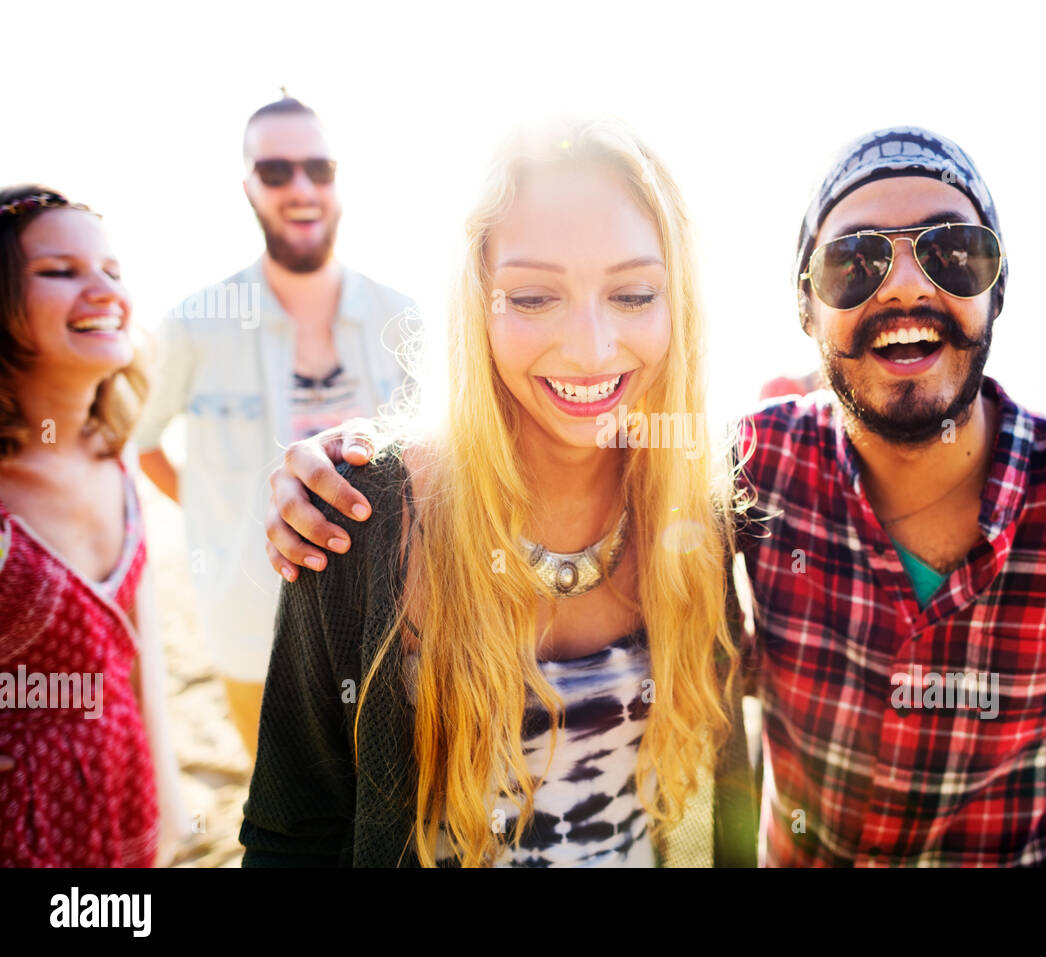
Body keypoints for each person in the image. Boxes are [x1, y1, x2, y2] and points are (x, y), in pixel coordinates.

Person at [266, 126, 1046, 867]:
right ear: (805, 307)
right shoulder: (752, 472)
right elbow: (293, 826)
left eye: (954, 252)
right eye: (855, 261)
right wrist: (345, 464)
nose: (906, 287)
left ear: (999, 288)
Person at [239, 117, 757, 867]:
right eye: (536, 296)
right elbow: (291, 833)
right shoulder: (356, 516)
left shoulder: (695, 503)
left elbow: (727, 794)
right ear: (475, 302)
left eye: (635, 294)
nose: (591, 346)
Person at [134, 94, 418, 758]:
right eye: (277, 171)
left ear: (340, 178)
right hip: (247, 621)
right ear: (248, 187)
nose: (300, 188)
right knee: (282, 814)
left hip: (394, 623)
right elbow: (141, 439)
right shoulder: (194, 324)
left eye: (319, 168)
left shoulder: (403, 318)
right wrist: (221, 513)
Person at [0, 186, 186, 866]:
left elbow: (138, 655)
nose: (103, 290)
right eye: (59, 271)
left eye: (112, 270)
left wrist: (166, 797)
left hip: (121, 793)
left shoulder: (116, 460)